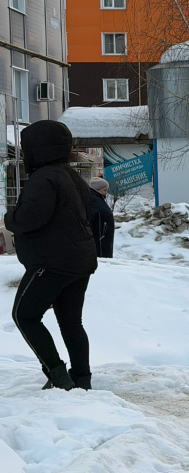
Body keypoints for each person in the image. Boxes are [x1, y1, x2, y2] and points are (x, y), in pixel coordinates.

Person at [4, 120, 98, 391]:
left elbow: (29, 218)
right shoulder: (70, 175)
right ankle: (82, 379)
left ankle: (58, 375)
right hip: (79, 261)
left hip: (53, 262)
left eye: (27, 147)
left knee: (25, 316)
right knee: (71, 322)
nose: (25, 153)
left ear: (38, 148)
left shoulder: (43, 178)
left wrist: (9, 217)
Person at [87, 178, 114, 258]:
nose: (106, 193)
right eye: (104, 190)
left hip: (102, 238)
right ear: (97, 190)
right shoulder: (93, 200)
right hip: (99, 239)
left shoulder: (96, 199)